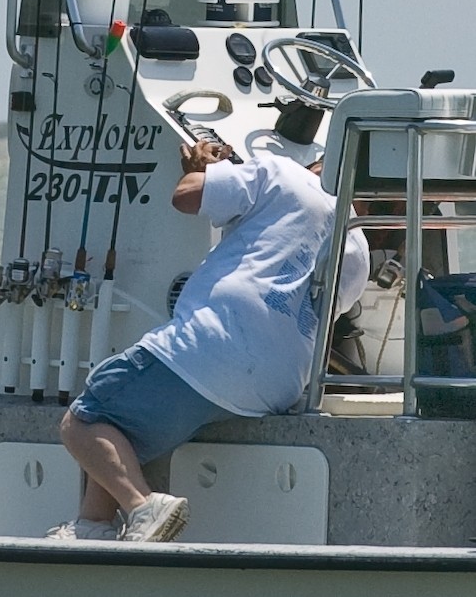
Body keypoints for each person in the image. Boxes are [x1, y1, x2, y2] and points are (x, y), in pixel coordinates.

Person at [52, 140, 370, 543]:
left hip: (214, 344)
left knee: (83, 422)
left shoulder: (281, 171)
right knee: (120, 428)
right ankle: (92, 527)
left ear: (322, 163)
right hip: (279, 383)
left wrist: (201, 168)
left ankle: (142, 506)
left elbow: (186, 197)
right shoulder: (359, 248)